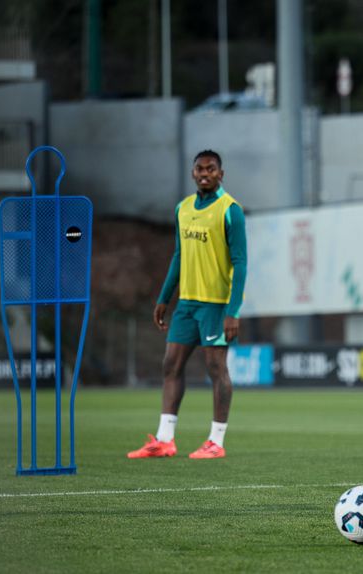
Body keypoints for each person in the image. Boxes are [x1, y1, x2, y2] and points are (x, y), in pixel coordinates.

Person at [128, 150, 247, 460]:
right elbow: (179, 256)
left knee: (216, 368)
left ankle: (216, 442)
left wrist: (233, 311)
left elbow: (241, 263)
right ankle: (165, 440)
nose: (205, 173)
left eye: (211, 169)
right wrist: (164, 298)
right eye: (200, 169)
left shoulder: (230, 210)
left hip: (215, 305)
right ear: (193, 173)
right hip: (186, 304)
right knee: (171, 365)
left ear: (221, 174)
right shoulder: (182, 208)